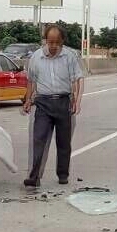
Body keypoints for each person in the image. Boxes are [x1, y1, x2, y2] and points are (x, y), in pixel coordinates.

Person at [23, 26, 84, 187]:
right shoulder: (36, 57)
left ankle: (63, 174)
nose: (53, 46)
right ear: (45, 41)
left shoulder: (69, 56)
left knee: (64, 142)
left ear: (62, 41)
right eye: (50, 42)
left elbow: (78, 79)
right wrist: (28, 100)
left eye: (57, 42)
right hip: (43, 103)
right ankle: (34, 176)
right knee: (38, 140)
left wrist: (77, 101)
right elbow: (31, 80)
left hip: (64, 102)